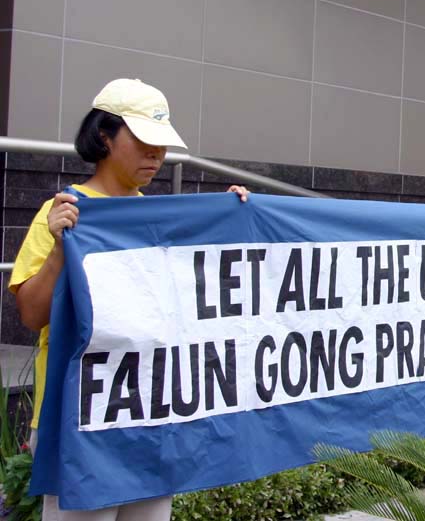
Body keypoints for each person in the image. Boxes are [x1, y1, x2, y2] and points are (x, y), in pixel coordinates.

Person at [10, 79, 250, 521]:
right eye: (143, 140)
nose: (156, 155)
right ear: (105, 136)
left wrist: (230, 218)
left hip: (152, 416)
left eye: (161, 143)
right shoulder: (61, 211)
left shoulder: (159, 219)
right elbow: (31, 314)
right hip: (79, 421)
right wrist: (60, 249)